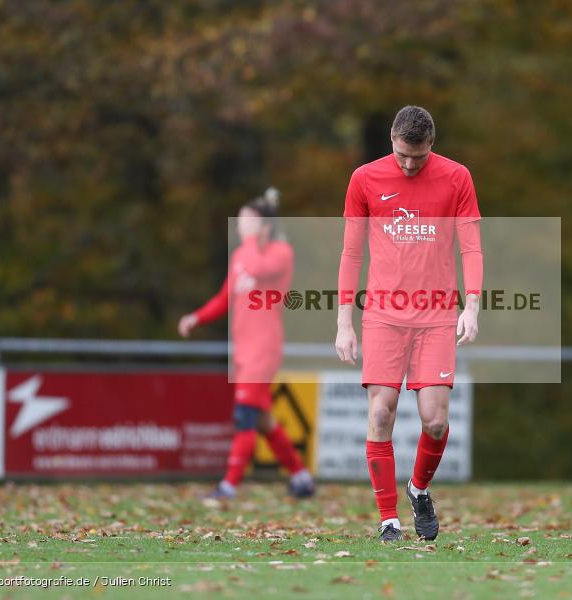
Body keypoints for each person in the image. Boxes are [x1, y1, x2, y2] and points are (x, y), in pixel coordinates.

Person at [335, 106, 483, 542]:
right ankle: (387, 519)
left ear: (430, 145)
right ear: (392, 142)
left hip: (437, 315)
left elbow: (471, 248)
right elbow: (351, 254)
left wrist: (470, 306)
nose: (408, 165)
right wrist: (345, 322)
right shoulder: (364, 179)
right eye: (401, 155)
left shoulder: (457, 178)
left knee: (434, 421)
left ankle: (419, 490)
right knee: (381, 412)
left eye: (417, 158)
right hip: (383, 314)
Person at [179, 188, 315, 499]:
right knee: (264, 420)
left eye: (247, 222)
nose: (241, 227)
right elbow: (225, 298)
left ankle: (228, 486)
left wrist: (254, 237)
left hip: (263, 347)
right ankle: (302, 478)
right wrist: (196, 317)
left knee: (245, 415)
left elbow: (258, 268)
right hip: (244, 349)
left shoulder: (280, 252)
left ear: (264, 226)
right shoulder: (241, 254)